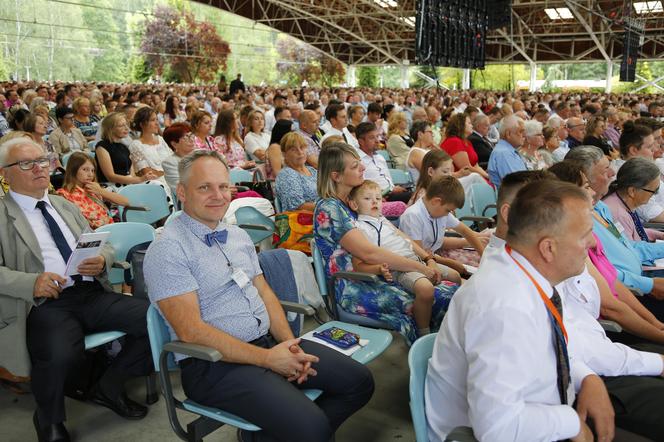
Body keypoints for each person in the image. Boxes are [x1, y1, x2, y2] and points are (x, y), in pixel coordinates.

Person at [143, 149, 374, 442]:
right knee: (312, 428)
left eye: (223, 186)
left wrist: (288, 344)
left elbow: (263, 291)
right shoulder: (168, 249)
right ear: (182, 192)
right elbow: (190, 331)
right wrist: (268, 360)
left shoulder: (236, 235)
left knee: (359, 382)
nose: (218, 195)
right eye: (205, 187)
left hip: (265, 344)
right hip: (214, 366)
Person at [426, 179, 615, 442]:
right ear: (548, 248)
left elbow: (547, 348)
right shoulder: (504, 305)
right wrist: (571, 422)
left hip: (540, 410)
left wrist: (586, 377)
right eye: (585, 235)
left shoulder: (526, 274)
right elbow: (497, 429)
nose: (593, 244)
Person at [0, 138, 152, 442]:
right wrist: (31, 282)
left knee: (157, 319)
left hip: (90, 292)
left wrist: (102, 258)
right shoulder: (3, 215)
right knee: (59, 354)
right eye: (27, 164)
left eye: (43, 161)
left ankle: (109, 385)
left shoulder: (63, 204)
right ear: (5, 174)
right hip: (45, 302)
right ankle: (49, 418)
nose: (39, 169)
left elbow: (103, 242)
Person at [314, 142, 456, 343]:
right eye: (355, 166)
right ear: (336, 176)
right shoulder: (330, 208)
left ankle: (443, 347)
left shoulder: (351, 200)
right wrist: (420, 267)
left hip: (381, 271)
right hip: (355, 282)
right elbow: (369, 253)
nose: (363, 168)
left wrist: (426, 258)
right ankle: (427, 347)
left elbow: (393, 231)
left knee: (451, 288)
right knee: (433, 295)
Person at [349, 180, 461, 336]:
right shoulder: (358, 228)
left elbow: (407, 240)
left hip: (415, 259)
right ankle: (423, 333)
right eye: (367, 199)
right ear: (354, 205)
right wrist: (378, 269)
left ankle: (449, 322)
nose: (374, 201)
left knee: (455, 276)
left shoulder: (383, 220)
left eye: (378, 198)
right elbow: (358, 265)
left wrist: (429, 259)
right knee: (426, 289)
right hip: (399, 268)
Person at [400, 175, 484, 272]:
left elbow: (466, 231)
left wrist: (483, 255)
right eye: (448, 210)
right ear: (436, 201)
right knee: (458, 275)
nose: (449, 214)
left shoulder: (440, 210)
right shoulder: (413, 216)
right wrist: (450, 263)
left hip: (432, 257)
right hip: (418, 263)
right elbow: (420, 255)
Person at [56, 152, 129, 229]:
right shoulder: (63, 194)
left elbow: (125, 202)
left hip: (110, 229)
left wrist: (101, 191)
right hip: (93, 234)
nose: (90, 174)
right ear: (73, 170)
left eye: (92, 170)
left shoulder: (94, 188)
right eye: (85, 169)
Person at [603, 157, 664, 242]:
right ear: (632, 191)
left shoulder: (623, 203)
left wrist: (659, 235)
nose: (654, 195)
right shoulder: (619, 215)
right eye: (653, 191)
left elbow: (635, 232)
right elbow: (630, 250)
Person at [96, 112, 158, 188]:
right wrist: (140, 179)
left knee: (156, 184)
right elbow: (110, 176)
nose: (126, 128)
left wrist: (143, 178)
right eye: (121, 126)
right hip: (111, 186)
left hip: (127, 184)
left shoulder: (124, 147)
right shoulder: (102, 146)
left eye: (126, 125)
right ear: (110, 129)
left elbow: (131, 174)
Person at [356, 121, 412, 204]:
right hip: (379, 198)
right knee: (416, 197)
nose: (377, 141)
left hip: (392, 193)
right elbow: (361, 189)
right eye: (372, 138)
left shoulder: (380, 158)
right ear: (361, 141)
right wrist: (389, 191)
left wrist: (393, 188)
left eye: (377, 136)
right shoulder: (358, 161)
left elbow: (389, 182)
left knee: (421, 192)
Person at [128, 107, 172, 187]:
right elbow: (147, 173)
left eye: (157, 120)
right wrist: (169, 171)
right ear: (142, 124)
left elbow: (172, 160)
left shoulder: (161, 139)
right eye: (152, 120)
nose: (157, 123)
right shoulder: (136, 145)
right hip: (154, 183)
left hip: (170, 178)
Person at [275, 132, 318, 212]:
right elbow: (298, 207)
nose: (300, 152)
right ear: (284, 154)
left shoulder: (313, 171)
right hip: (302, 220)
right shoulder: (286, 175)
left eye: (302, 147)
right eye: (293, 149)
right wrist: (328, 208)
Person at [440, 113, 489, 180]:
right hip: (458, 180)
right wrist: (487, 177)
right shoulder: (454, 141)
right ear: (460, 125)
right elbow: (467, 168)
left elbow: (476, 165)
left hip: (472, 177)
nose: (472, 126)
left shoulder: (467, 142)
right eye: (469, 123)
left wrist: (487, 176)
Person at [487, 115, 528, 187]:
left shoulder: (507, 150)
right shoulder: (504, 153)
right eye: (521, 132)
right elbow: (517, 185)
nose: (524, 135)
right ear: (508, 134)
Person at [162, 122, 196, 192]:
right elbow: (180, 188)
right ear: (174, 144)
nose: (192, 140)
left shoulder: (201, 155)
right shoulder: (169, 163)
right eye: (186, 137)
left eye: (191, 135)